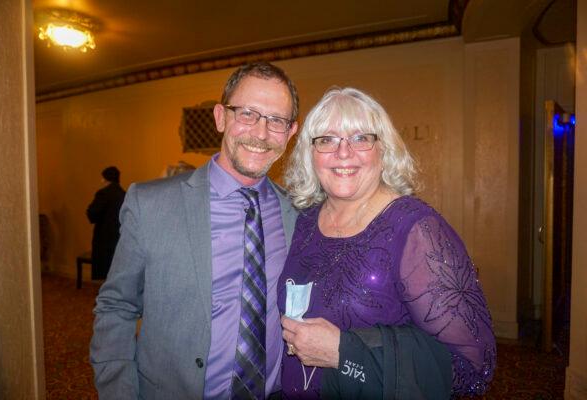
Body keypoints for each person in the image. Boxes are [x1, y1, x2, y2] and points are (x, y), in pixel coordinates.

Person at [90, 62, 299, 400]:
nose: (261, 133)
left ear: (291, 133)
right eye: (247, 113)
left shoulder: (299, 213)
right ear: (221, 117)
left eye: (276, 120)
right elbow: (117, 306)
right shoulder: (150, 204)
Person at [279, 87, 496, 398]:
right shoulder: (303, 222)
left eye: (360, 138)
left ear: (384, 150)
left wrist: (346, 353)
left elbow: (472, 368)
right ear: (309, 154)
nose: (343, 152)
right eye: (326, 139)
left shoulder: (416, 230)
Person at [86, 166, 126, 280]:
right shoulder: (124, 194)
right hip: (119, 236)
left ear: (105, 178)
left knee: (104, 269)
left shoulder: (103, 194)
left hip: (104, 236)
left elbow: (92, 214)